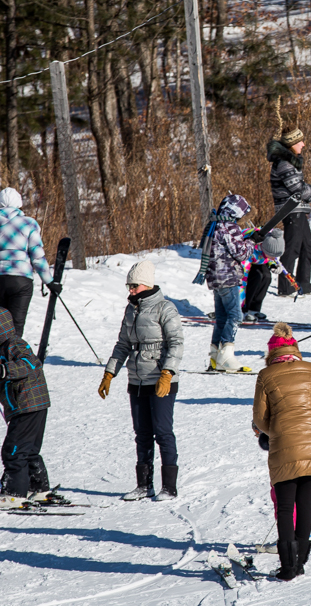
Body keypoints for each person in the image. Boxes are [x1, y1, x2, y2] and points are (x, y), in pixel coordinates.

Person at [253, 324, 311, 580]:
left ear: (271, 354)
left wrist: (275, 431)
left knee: (286, 508)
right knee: (305, 505)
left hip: (284, 448)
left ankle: (288, 567)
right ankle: (299, 563)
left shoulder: (266, 375)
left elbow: (260, 419)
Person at [99, 261, 184, 501]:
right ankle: (144, 485)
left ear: (146, 283)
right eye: (129, 286)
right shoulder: (131, 310)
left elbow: (176, 343)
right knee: (142, 434)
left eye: (133, 285)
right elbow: (123, 344)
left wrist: (167, 373)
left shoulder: (165, 308)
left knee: (163, 432)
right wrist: (109, 373)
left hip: (160, 380)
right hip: (136, 380)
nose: (130, 290)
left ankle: (169, 487)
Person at [0, 307, 52, 508]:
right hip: (30, 404)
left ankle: (14, 494)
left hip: (27, 404)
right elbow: (2, 373)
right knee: (28, 450)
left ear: (0, 328)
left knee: (14, 450)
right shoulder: (0, 349)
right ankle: (38, 489)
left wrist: (2, 370)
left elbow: (29, 363)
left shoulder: (15, 344)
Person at [0, 188, 57, 340]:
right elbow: (37, 257)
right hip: (21, 280)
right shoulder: (28, 223)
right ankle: (11, 361)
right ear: (19, 202)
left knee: (3, 327)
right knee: (16, 327)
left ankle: (0, 360)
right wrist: (50, 282)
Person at [204, 194, 262, 372]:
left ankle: (215, 356)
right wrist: (252, 242)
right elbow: (241, 253)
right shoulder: (230, 226)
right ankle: (226, 357)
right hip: (228, 277)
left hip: (215, 277)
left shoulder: (215, 224)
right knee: (236, 316)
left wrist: (246, 239)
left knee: (222, 317)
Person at [268, 127, 311, 296]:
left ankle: (304, 284)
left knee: (308, 247)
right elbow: (296, 188)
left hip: (297, 209)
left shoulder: (290, 161)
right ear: (291, 144)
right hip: (291, 209)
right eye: (300, 142)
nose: (303, 144)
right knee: (292, 249)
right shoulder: (285, 163)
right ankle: (285, 287)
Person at [241, 229, 286, 322]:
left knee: (266, 276)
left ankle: (254, 309)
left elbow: (270, 256)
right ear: (264, 248)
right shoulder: (249, 251)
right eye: (272, 255)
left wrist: (273, 264)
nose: (274, 258)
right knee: (257, 276)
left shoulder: (270, 241)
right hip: (242, 264)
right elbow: (241, 281)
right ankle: (243, 309)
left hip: (257, 261)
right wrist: (238, 309)